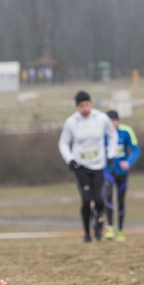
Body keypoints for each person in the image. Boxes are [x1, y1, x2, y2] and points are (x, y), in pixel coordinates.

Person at [58, 90, 119, 243]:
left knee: (99, 200)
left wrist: (111, 155)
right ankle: (87, 233)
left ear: (91, 104)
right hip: (81, 166)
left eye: (87, 105)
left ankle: (98, 225)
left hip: (98, 165)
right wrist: (70, 159)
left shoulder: (101, 118)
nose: (85, 108)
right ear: (77, 107)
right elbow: (63, 143)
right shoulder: (71, 122)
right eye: (81, 106)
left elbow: (113, 135)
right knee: (86, 200)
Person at [102, 110, 140, 242]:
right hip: (107, 171)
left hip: (122, 172)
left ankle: (121, 231)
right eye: (110, 121)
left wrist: (128, 162)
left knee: (121, 200)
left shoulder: (126, 131)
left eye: (115, 120)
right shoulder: (102, 133)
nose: (113, 123)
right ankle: (110, 228)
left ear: (118, 120)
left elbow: (136, 150)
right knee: (107, 196)